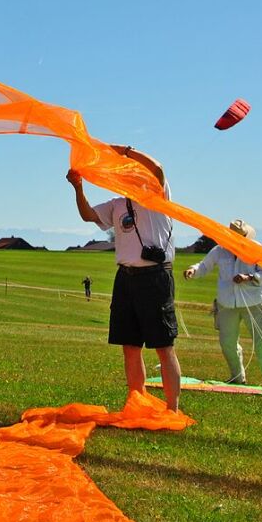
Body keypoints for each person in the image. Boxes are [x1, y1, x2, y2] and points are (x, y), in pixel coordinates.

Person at [67, 145, 182, 412]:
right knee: (130, 346)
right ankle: (136, 403)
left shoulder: (157, 194)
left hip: (155, 277)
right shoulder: (117, 204)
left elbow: (158, 168)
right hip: (126, 278)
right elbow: (88, 215)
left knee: (164, 346)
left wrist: (128, 152)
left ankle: (172, 409)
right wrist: (78, 187)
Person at [184, 220, 262, 388]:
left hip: (254, 302)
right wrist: (193, 270)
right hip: (226, 303)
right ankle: (237, 377)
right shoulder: (219, 250)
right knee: (227, 342)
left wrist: (249, 278)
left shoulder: (257, 249)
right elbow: (204, 265)